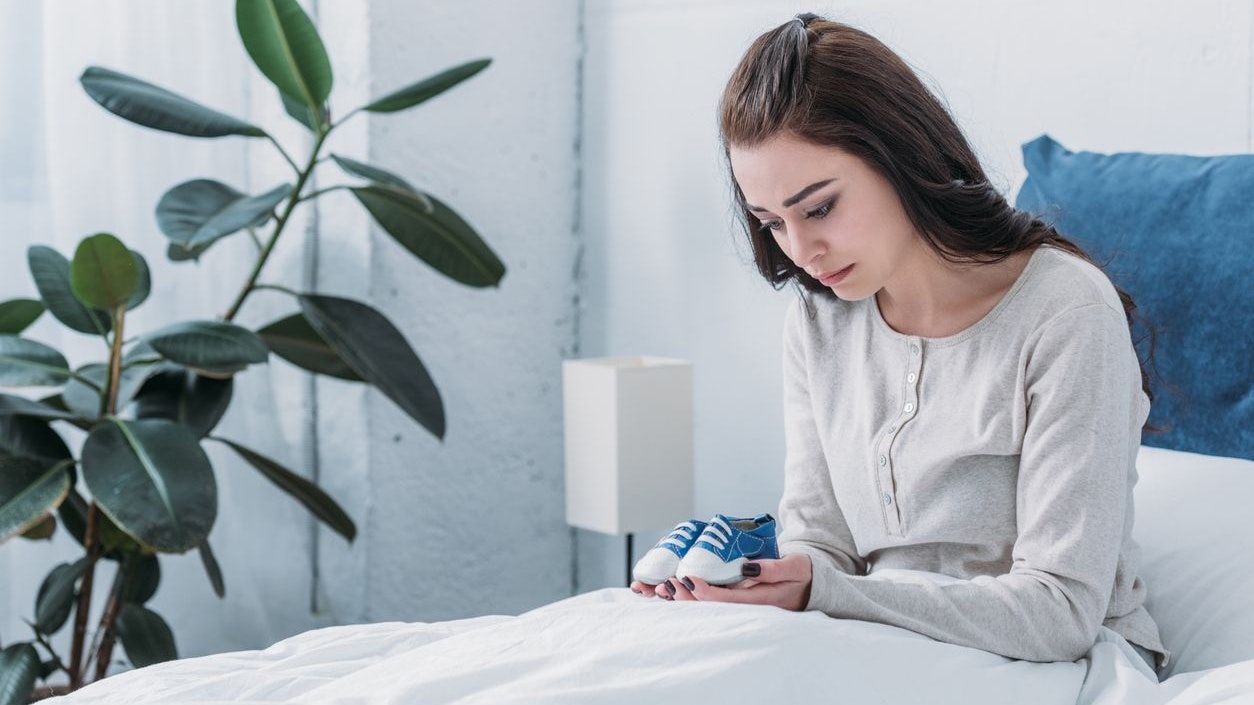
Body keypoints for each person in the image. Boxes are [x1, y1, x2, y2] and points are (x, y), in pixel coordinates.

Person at [628, 12, 1170, 679]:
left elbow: (1060, 612)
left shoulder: (1066, 312)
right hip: (877, 646)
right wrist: (767, 582)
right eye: (772, 223)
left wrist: (825, 593)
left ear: (898, 155)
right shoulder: (819, 324)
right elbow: (821, 544)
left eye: (819, 207)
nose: (800, 251)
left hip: (1063, 663)